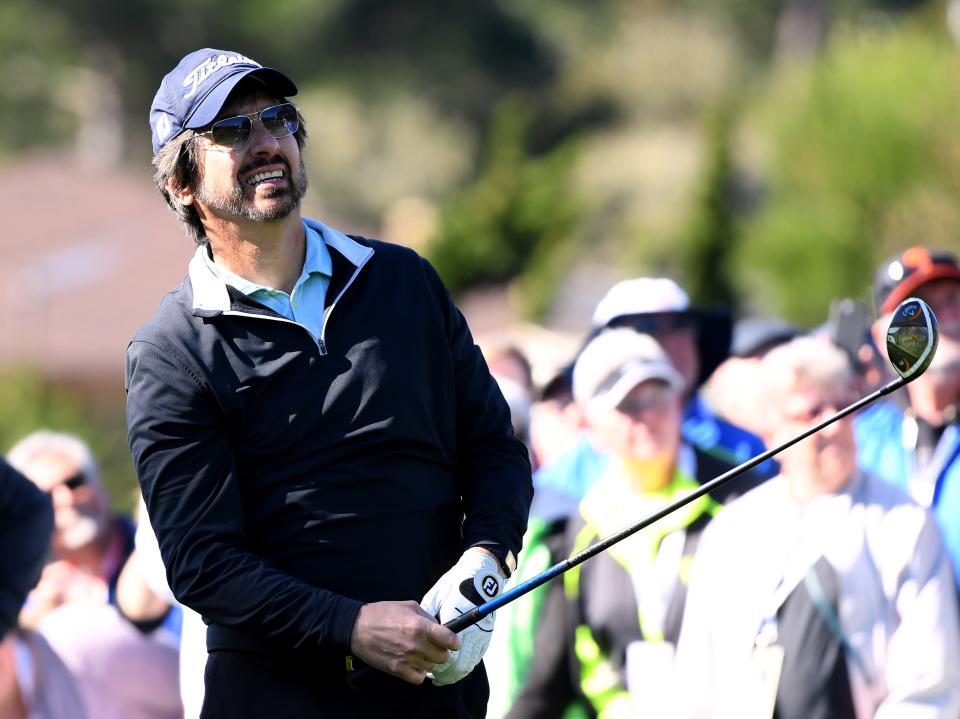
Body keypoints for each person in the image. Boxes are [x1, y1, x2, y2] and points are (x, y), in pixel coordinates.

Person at [126, 48, 532, 718]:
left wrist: (485, 556)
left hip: (435, 688)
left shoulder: (404, 282)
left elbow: (494, 447)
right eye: (232, 132)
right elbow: (203, 562)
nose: (265, 143)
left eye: (277, 119)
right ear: (182, 184)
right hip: (278, 697)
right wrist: (352, 625)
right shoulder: (172, 351)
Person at [674, 336, 960, 718]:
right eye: (811, 411)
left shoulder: (905, 524)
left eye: (842, 406)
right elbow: (697, 683)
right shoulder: (731, 532)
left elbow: (930, 685)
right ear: (771, 430)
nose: (833, 423)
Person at [506, 330, 763, 719]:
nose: (646, 416)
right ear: (592, 426)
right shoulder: (582, 529)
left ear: (679, 402)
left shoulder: (742, 495)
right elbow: (550, 676)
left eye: (657, 395)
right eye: (626, 404)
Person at [7, 431, 181, 719]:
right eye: (46, 495)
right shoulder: (28, 590)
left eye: (75, 482)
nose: (67, 499)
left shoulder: (153, 547)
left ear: (98, 484)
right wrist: (36, 620)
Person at [855, 246, 960, 584]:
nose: (945, 317)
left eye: (953, 298)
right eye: (918, 309)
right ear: (879, 335)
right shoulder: (857, 440)